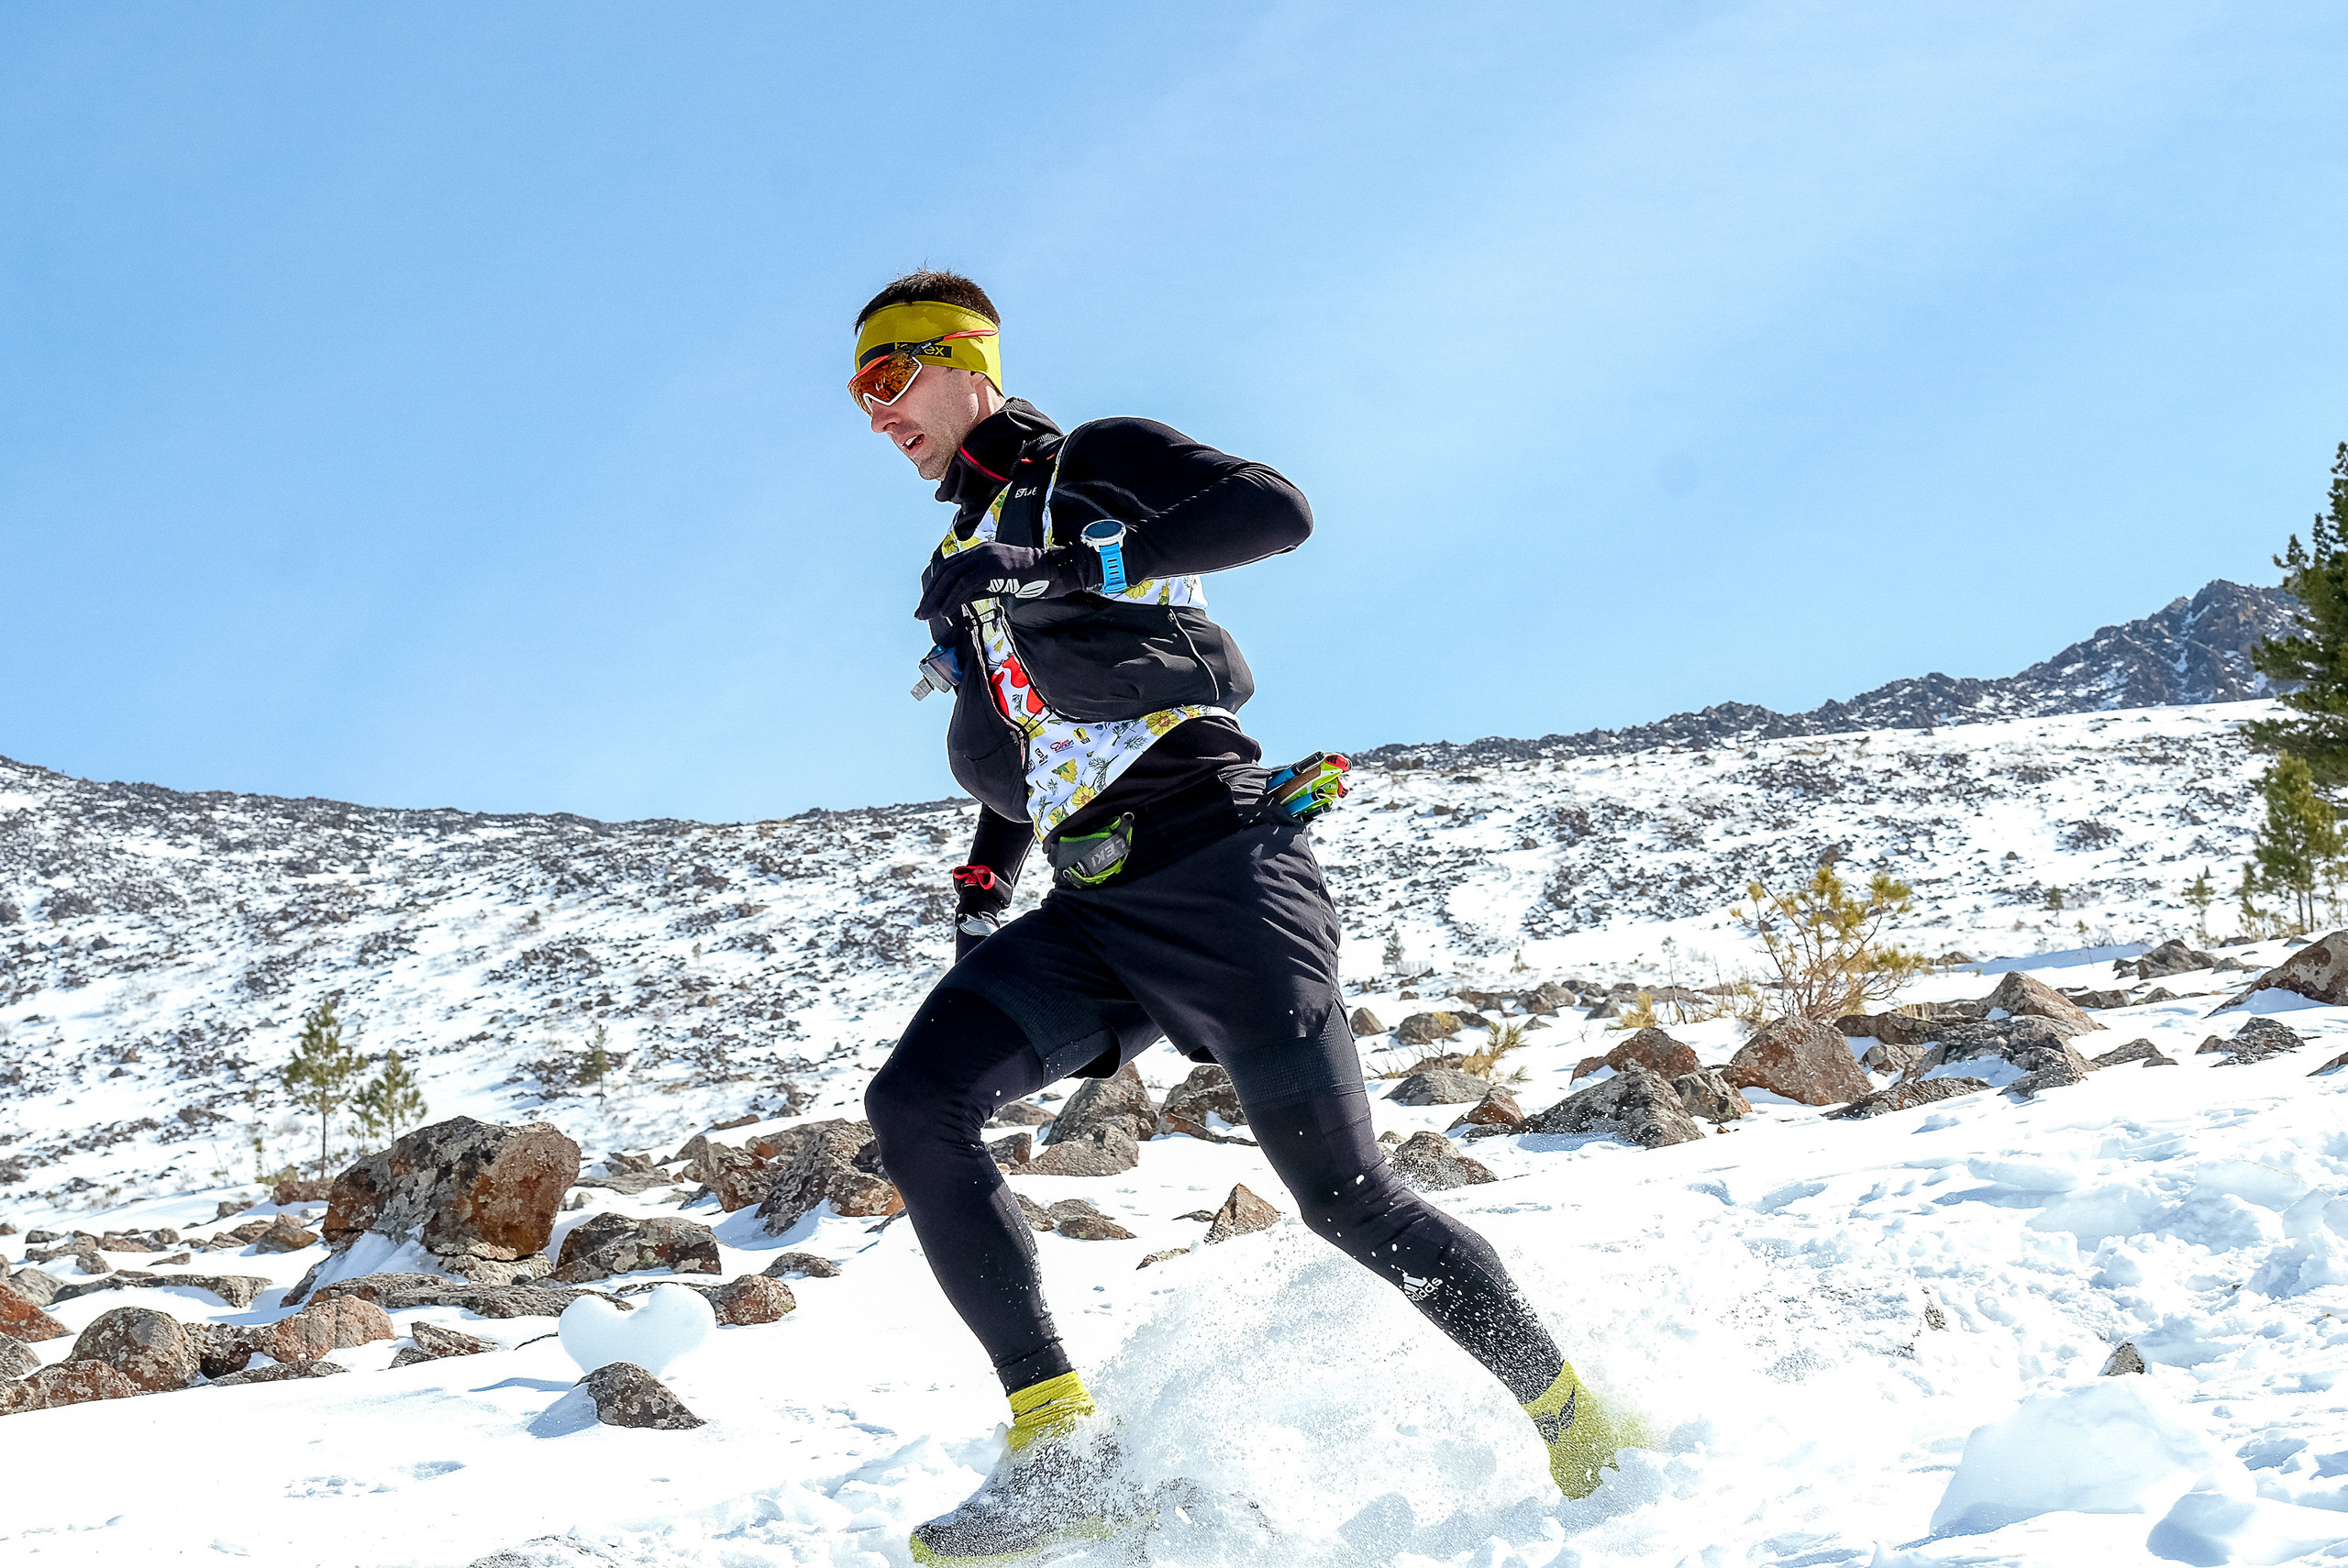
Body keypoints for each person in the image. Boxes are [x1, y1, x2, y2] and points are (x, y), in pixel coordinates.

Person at [851, 270, 1627, 1564]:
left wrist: (1078, 553)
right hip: (1093, 905)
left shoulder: (1092, 463)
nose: (876, 418)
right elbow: (1029, 742)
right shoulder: (959, 559)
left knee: (1347, 1198)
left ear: (962, 358)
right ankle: (1064, 1447)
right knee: (913, 1102)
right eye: (858, 398)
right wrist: (988, 867)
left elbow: (1278, 511)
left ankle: (1579, 1421)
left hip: (1222, 868)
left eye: (889, 379)